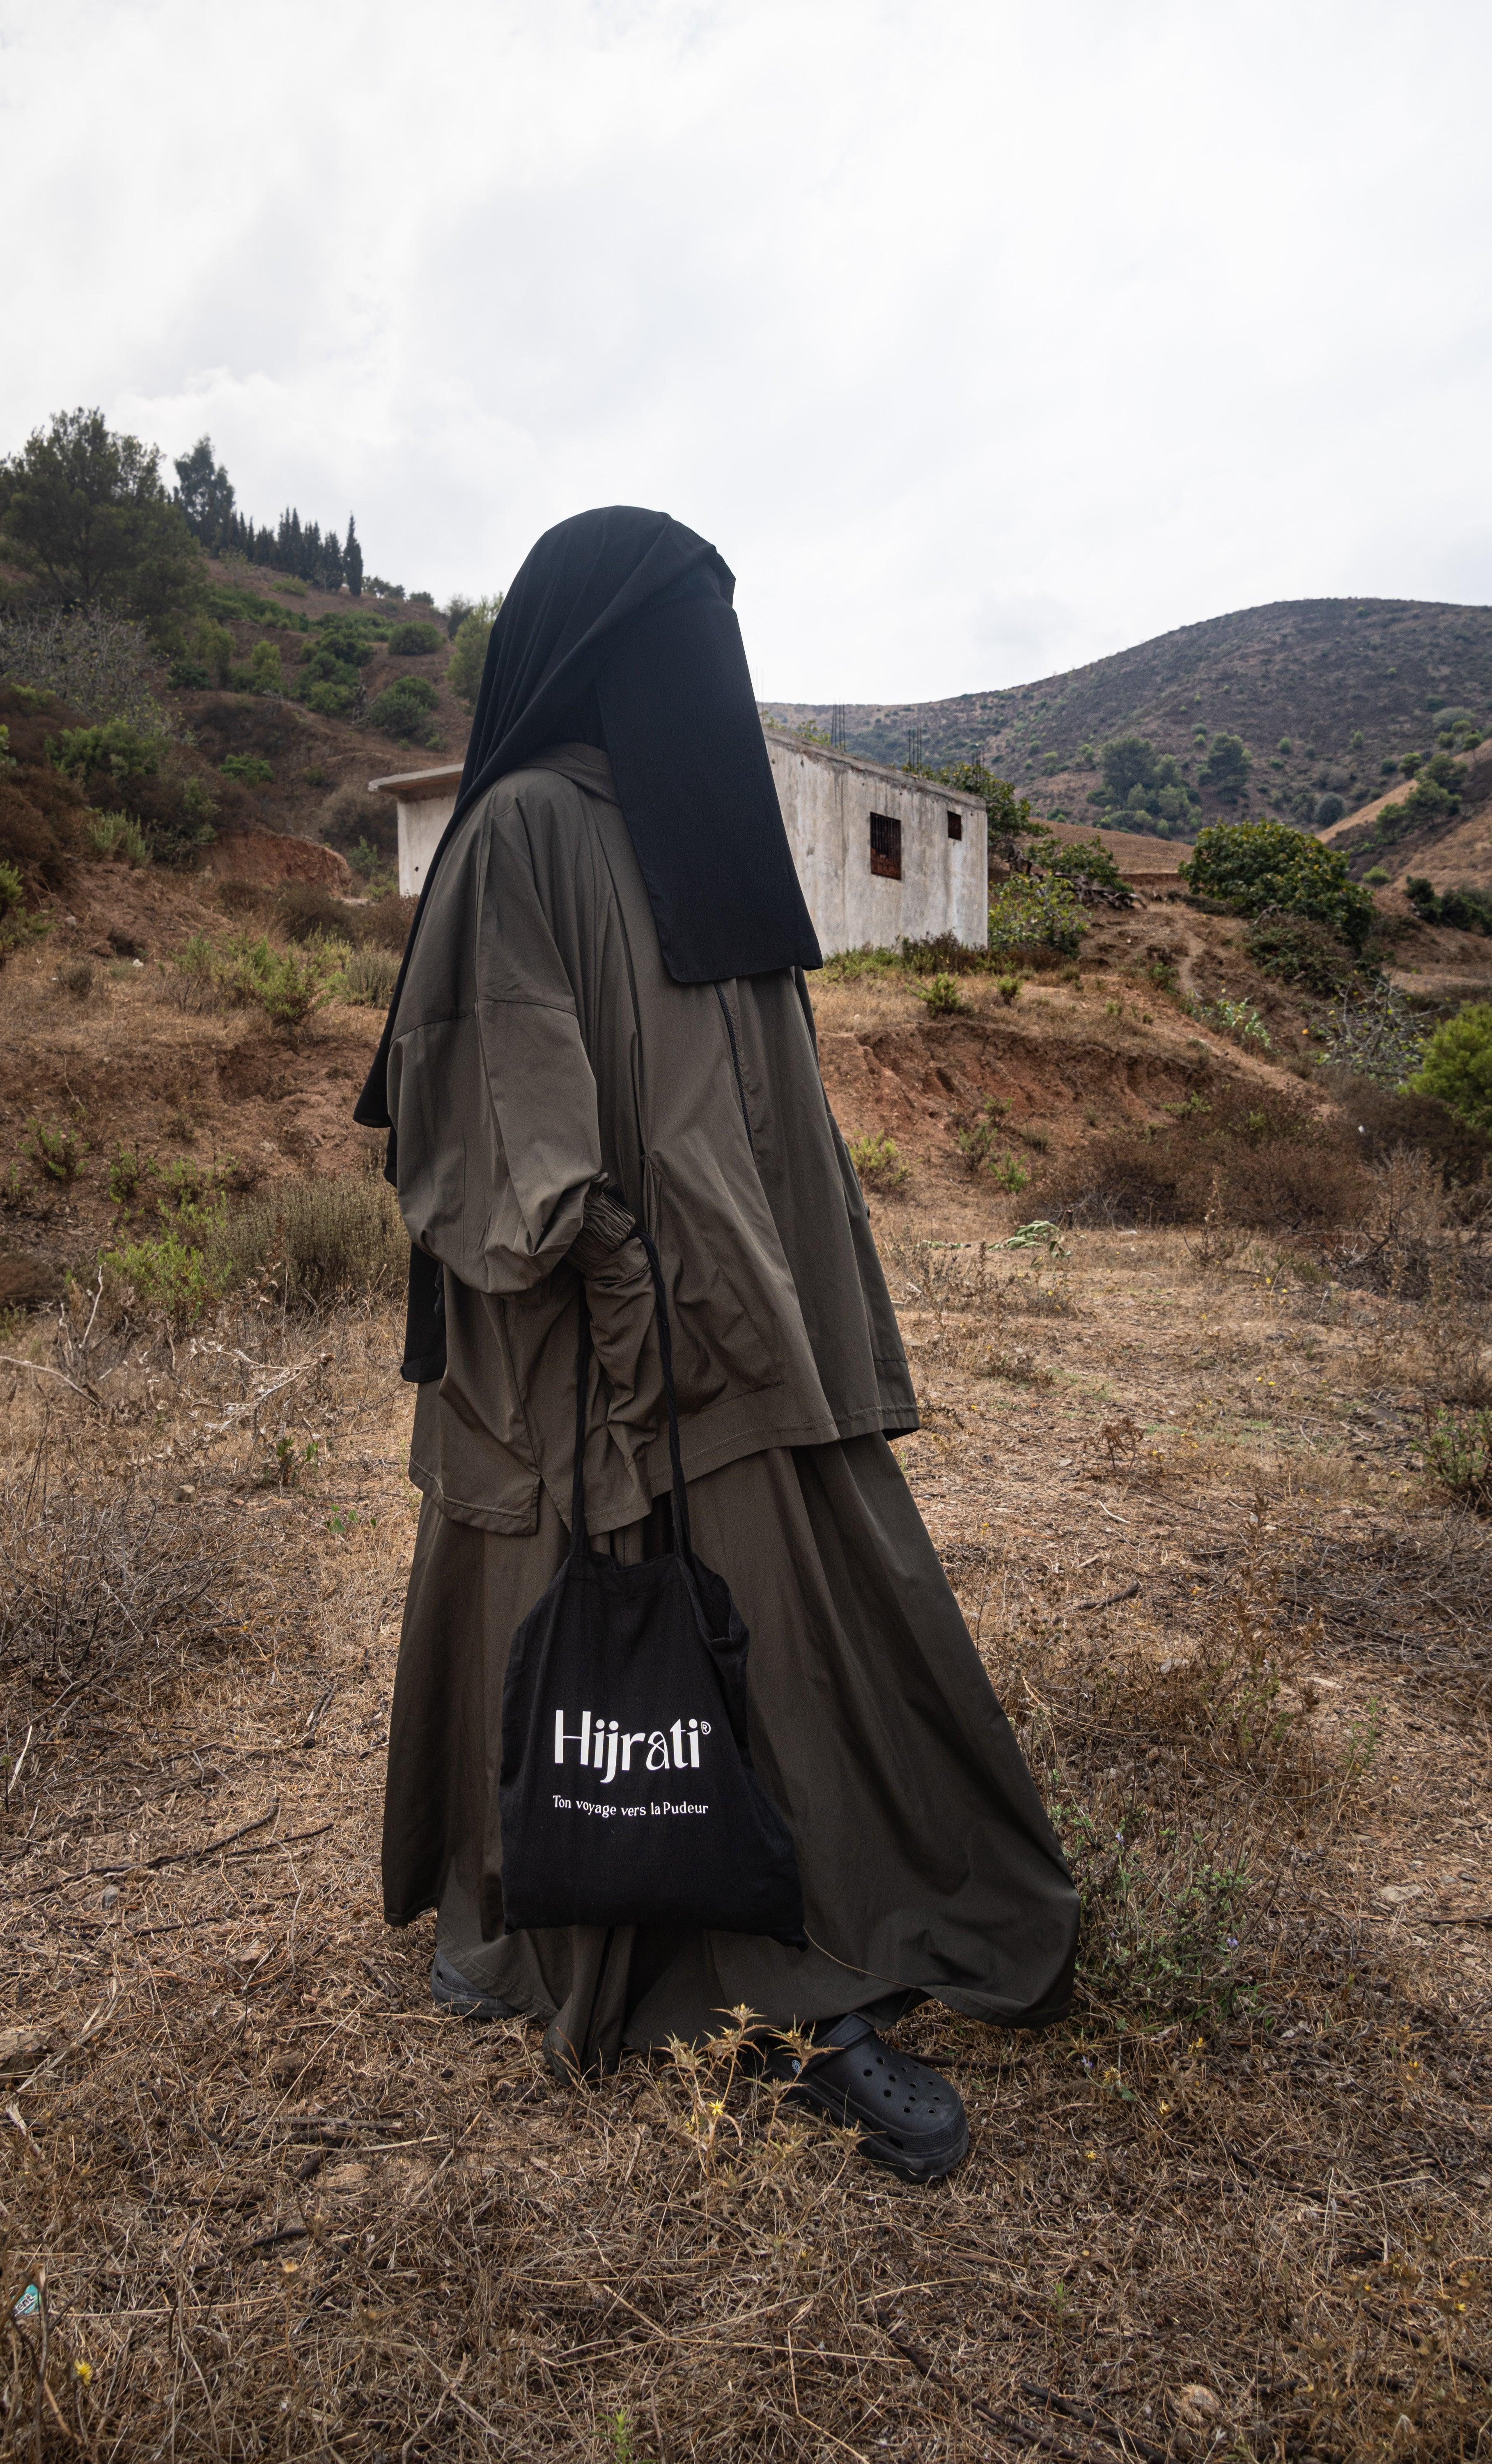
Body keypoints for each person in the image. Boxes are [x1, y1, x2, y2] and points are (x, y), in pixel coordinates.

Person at [354, 507, 1077, 2181]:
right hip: (594, 1364)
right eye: (687, 631)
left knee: (782, 1632)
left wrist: (748, 1324)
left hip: (739, 1350)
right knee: (602, 1634)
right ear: (609, 649)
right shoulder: (520, 832)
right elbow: (499, 1114)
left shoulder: (706, 833)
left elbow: (778, 1134)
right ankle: (646, 1944)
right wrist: (625, 1315)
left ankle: (808, 1918)